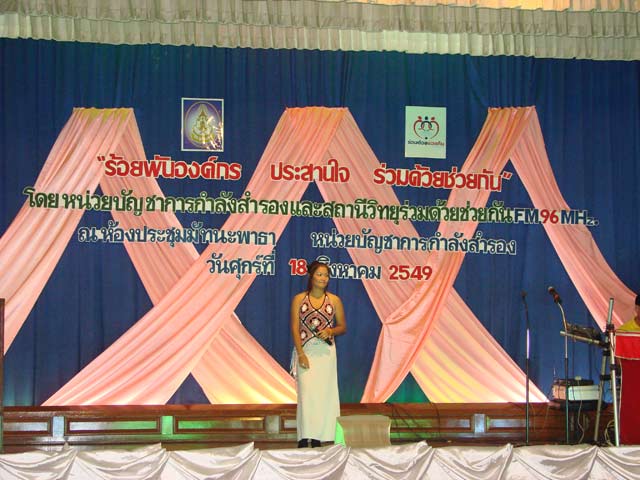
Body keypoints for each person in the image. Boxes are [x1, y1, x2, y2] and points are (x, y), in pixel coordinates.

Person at [290, 260, 346, 448]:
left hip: (326, 353)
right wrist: (300, 354)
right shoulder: (299, 299)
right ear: (311, 276)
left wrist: (330, 331)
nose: (323, 278)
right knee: (306, 395)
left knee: (324, 395)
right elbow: (295, 328)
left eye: (326, 275)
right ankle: (304, 436)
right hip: (306, 350)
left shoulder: (334, 300)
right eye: (319, 274)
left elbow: (342, 326)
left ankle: (318, 437)